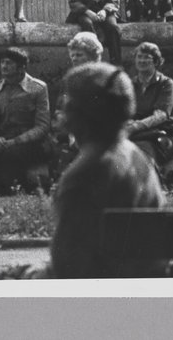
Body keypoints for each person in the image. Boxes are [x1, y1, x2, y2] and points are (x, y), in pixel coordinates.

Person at [50, 63, 166, 278]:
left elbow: (67, 269)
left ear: (79, 114)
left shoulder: (84, 174)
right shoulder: (135, 155)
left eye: (68, 104)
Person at [0, 47, 51, 195]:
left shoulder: (38, 88)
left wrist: (16, 141)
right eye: (2, 62)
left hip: (32, 144)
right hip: (4, 142)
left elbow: (42, 127)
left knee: (12, 155)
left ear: (21, 67)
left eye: (9, 63)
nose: (3, 66)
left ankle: (15, 194)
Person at [51, 32, 104, 177]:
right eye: (72, 55)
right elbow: (59, 110)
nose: (74, 58)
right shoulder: (69, 80)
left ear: (93, 56)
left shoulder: (103, 80)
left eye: (79, 55)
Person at [125, 42, 173, 170]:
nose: (142, 61)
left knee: (142, 152)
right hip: (134, 133)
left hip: (160, 135)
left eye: (146, 58)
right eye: (139, 57)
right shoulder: (130, 84)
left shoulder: (166, 83)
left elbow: (161, 115)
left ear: (156, 62)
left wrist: (134, 126)